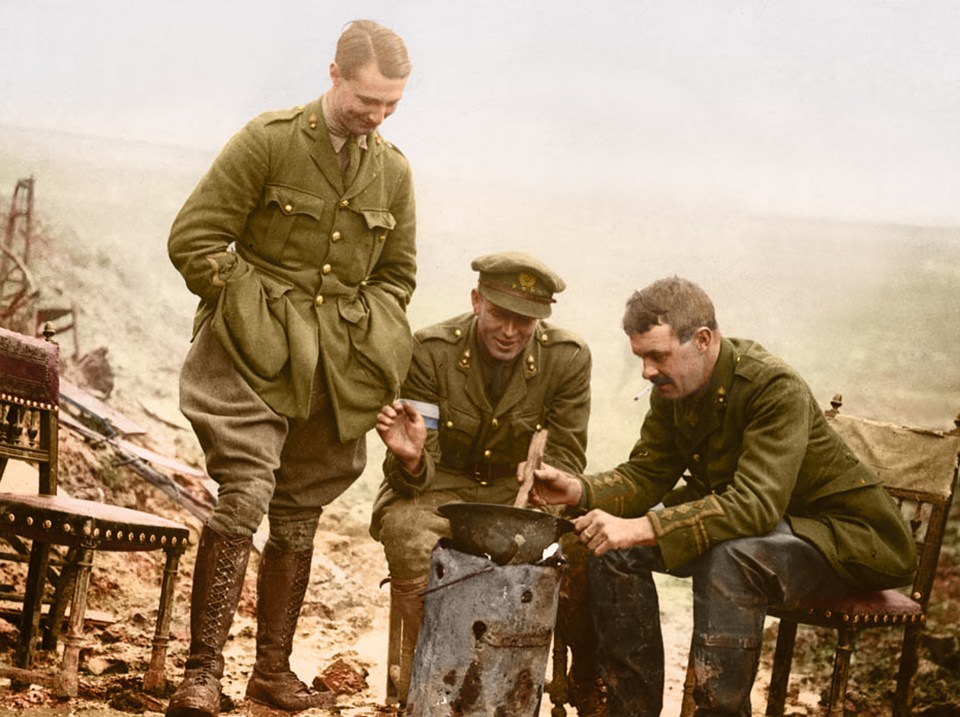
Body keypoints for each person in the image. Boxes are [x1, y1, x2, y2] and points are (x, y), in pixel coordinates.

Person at [165, 20, 416, 717]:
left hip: (331, 369)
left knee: (299, 512)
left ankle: (269, 671)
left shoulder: (393, 170)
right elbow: (193, 238)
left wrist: (368, 335)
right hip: (247, 353)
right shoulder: (269, 140)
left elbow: (398, 277)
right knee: (244, 492)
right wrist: (247, 305)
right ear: (334, 74)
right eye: (368, 100)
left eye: (391, 106)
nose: (377, 116)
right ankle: (202, 673)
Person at [525, 276, 917, 716]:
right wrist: (577, 489)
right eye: (641, 358)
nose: (647, 371)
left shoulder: (773, 386)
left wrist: (643, 527)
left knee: (732, 558)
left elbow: (754, 504)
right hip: (773, 528)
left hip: (846, 540)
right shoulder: (675, 388)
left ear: (703, 340)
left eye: (658, 355)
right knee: (610, 549)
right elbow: (646, 474)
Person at [370, 251, 605, 713]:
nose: (510, 331)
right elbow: (418, 465)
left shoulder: (567, 359)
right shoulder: (431, 350)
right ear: (477, 301)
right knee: (407, 532)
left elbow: (568, 455)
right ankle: (429, 683)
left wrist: (545, 477)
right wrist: (413, 458)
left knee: (577, 549)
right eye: (500, 314)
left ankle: (572, 682)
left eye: (526, 320)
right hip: (440, 487)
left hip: (516, 496)